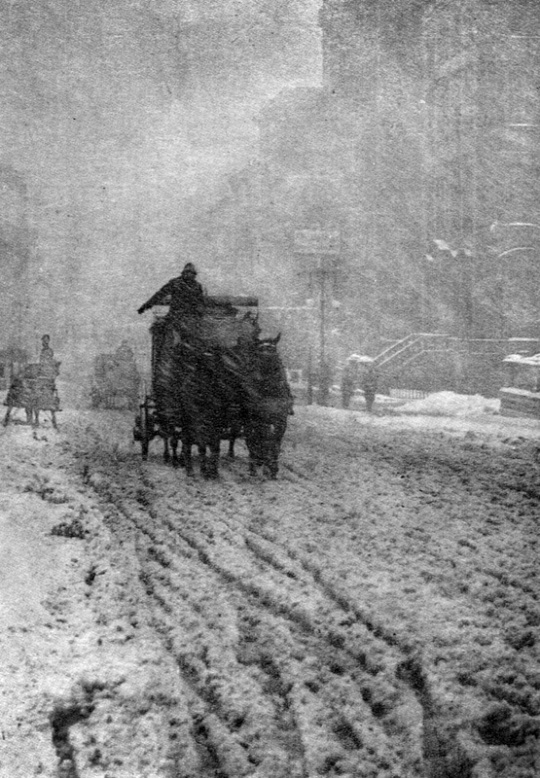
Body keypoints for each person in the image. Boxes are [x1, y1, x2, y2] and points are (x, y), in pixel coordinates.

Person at [137, 262, 205, 326]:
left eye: (192, 273)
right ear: (184, 273)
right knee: (159, 327)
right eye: (187, 273)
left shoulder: (197, 286)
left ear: (194, 275)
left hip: (190, 317)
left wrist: (199, 314)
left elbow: (200, 302)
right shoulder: (175, 283)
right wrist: (145, 307)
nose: (189, 275)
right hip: (176, 316)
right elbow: (159, 295)